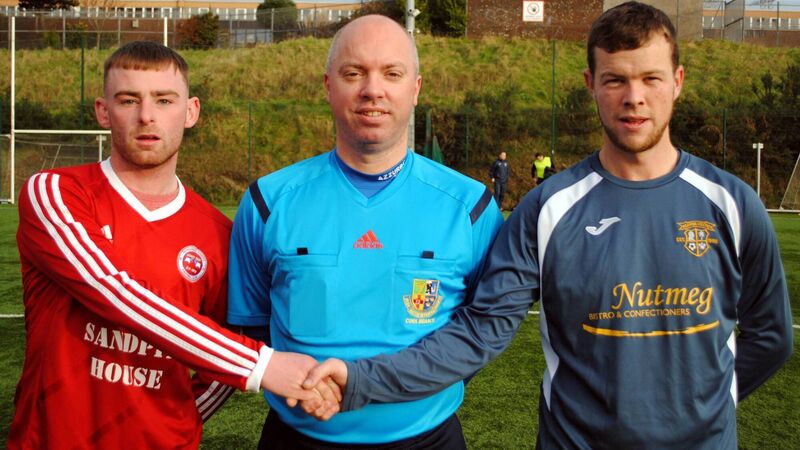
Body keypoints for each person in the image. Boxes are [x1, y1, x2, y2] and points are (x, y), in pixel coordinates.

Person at [306, 2, 793, 448]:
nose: (634, 98)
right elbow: (481, 331)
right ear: (590, 84)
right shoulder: (546, 210)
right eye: (615, 80)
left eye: (651, 79)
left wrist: (703, 406)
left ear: (679, 80)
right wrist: (362, 378)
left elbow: (771, 337)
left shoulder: (732, 203)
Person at [8, 41, 336, 449]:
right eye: (129, 100)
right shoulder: (56, 192)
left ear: (191, 111)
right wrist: (261, 364)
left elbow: (226, 341)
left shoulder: (218, 234)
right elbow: (112, 290)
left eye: (164, 100)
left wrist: (174, 421)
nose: (147, 116)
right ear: (103, 111)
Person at [227, 14, 504, 449]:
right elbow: (254, 327)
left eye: (391, 74)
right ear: (327, 86)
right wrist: (306, 384)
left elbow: (479, 331)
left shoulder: (471, 207)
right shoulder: (267, 200)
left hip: (428, 439)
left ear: (415, 88)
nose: (372, 89)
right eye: (353, 73)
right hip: (296, 437)